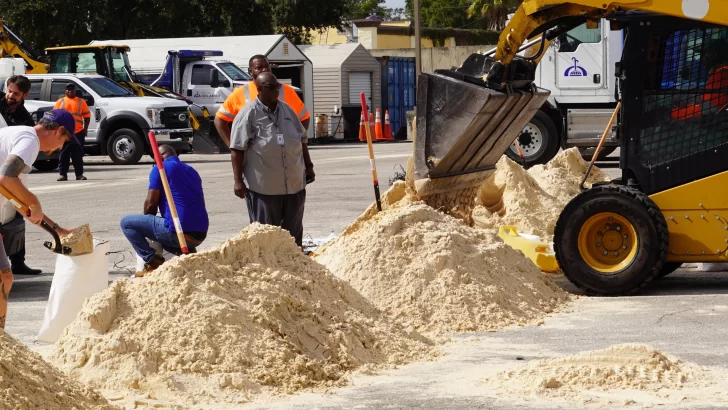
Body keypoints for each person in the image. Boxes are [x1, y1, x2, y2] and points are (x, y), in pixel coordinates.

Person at [0, 109, 76, 329]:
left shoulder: (18, 138)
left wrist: (57, 230)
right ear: (59, 130)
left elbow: (19, 201)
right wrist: (35, 202)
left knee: (5, 277)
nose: (60, 148)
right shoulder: (29, 140)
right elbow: (6, 176)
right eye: (65, 141)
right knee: (4, 278)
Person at [229, 72, 315, 248]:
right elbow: (237, 150)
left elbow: (302, 139)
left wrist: (309, 166)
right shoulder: (248, 115)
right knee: (266, 238)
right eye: (271, 87)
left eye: (278, 86)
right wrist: (238, 181)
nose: (277, 90)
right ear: (259, 90)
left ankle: (295, 270)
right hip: (264, 189)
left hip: (294, 186)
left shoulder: (288, 110)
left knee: (293, 238)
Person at [120, 145, 209, 274]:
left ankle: (151, 260)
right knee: (161, 234)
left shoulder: (161, 168)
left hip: (179, 233)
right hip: (199, 235)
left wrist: (147, 226)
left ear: (159, 156)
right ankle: (188, 252)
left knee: (127, 223)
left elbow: (150, 204)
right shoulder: (192, 171)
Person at [214, 54, 310, 146]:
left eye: (266, 66)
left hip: (283, 156)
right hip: (255, 157)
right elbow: (219, 120)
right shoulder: (240, 93)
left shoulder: (286, 91)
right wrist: (233, 146)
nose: (264, 70)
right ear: (250, 71)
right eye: (259, 67)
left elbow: (304, 117)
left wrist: (296, 141)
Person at [0, 75, 43, 276]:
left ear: (25, 95)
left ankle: (18, 260)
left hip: (10, 172)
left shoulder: (25, 120)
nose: (10, 95)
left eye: (16, 93)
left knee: (20, 211)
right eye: (9, 91)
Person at [671, 39, 728, 120]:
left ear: (711, 55)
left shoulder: (721, 75)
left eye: (703, 54)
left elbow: (707, 110)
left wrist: (673, 114)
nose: (701, 59)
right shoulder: (722, 72)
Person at [54, 83, 90, 181]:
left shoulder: (81, 101)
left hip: (77, 132)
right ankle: (63, 174)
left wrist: (85, 129)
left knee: (77, 155)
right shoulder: (60, 102)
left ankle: (79, 174)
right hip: (64, 133)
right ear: (65, 91)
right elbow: (55, 117)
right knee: (63, 154)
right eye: (68, 89)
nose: (70, 91)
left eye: (72, 89)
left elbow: (87, 117)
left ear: (75, 91)